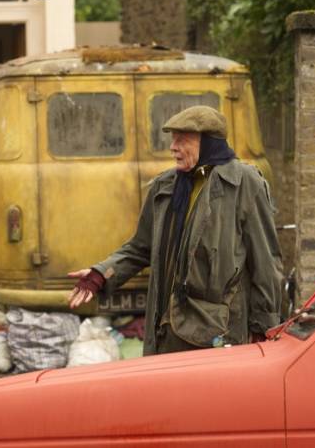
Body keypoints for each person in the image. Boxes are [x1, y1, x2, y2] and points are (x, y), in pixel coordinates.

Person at [68, 105, 284, 355]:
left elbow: (265, 264)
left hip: (216, 334)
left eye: (182, 139)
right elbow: (140, 247)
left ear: (208, 142)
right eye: (173, 139)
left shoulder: (244, 183)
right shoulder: (165, 186)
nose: (173, 147)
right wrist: (100, 275)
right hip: (166, 330)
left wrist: (264, 328)